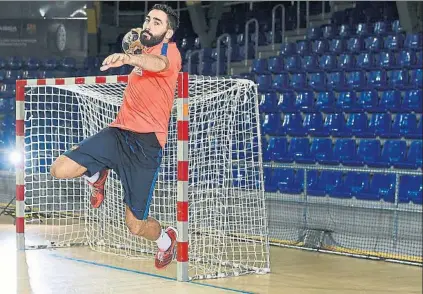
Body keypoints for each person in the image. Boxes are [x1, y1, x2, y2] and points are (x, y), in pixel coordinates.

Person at [50, 4, 182, 270]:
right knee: (59, 169)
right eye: (148, 19)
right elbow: (139, 47)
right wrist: (131, 52)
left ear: (168, 32)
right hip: (119, 133)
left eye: (157, 22)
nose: (149, 25)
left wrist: (129, 59)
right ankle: (97, 175)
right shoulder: (140, 48)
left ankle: (167, 240)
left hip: (146, 146)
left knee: (135, 226)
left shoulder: (170, 52)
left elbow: (159, 64)